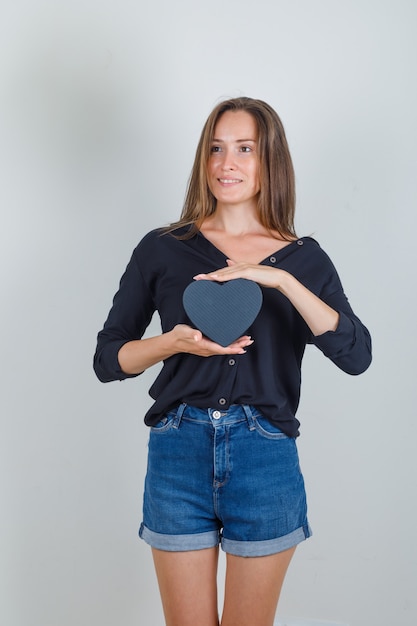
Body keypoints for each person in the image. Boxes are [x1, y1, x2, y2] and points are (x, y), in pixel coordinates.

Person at [93, 96, 372, 626]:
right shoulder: (162, 249)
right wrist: (174, 342)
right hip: (177, 452)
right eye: (217, 149)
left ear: (270, 162)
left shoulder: (304, 259)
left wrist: (281, 280)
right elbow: (110, 358)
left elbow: (356, 355)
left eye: (245, 149)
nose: (228, 163)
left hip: (263, 457)